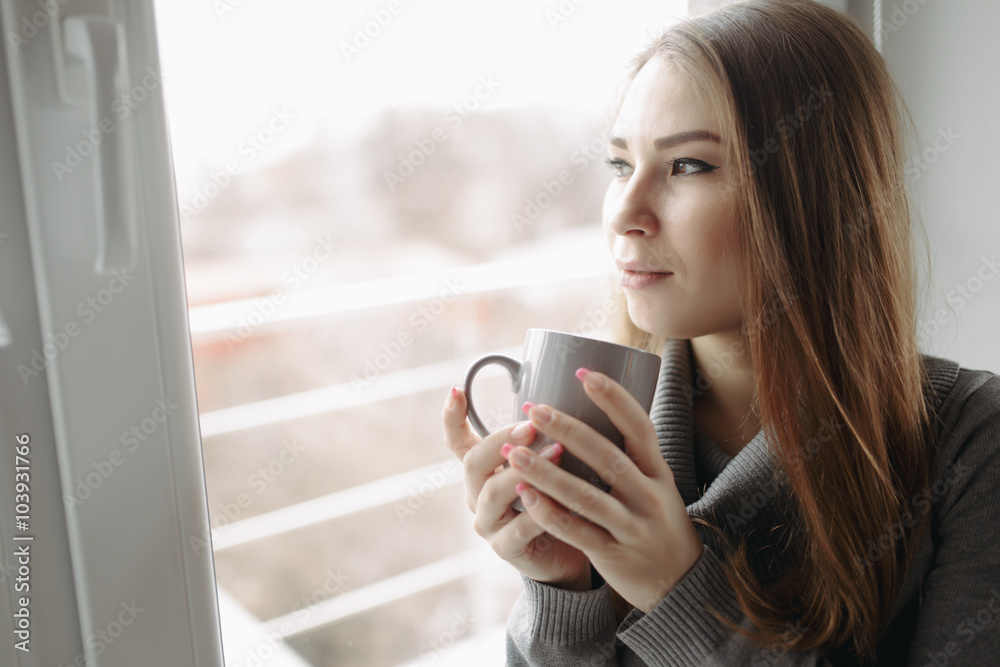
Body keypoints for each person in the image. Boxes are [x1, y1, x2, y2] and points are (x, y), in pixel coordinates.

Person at [442, 0, 1000, 663]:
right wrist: (564, 587)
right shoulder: (603, 429)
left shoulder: (971, 447)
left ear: (815, 197)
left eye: (687, 166)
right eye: (620, 164)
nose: (625, 212)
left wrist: (677, 591)